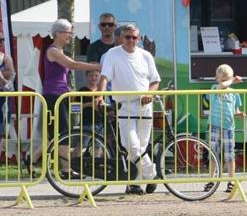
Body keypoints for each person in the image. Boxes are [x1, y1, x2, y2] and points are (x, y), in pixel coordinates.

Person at [28, 19, 101, 171]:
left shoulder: (59, 51)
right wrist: (98, 66)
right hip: (54, 97)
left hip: (60, 95)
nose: (71, 36)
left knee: (55, 135)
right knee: (63, 134)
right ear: (59, 34)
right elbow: (73, 65)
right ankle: (66, 169)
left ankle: (31, 158)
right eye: (68, 33)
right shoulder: (53, 51)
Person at [98, 22, 160, 195]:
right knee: (131, 145)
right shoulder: (113, 54)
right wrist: (99, 95)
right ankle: (153, 174)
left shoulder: (146, 55)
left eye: (135, 37)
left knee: (140, 146)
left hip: (144, 106)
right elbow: (104, 77)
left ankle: (134, 183)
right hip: (124, 106)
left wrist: (150, 93)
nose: (132, 40)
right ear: (121, 38)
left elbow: (155, 80)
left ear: (139, 38)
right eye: (128, 37)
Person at [205, 64, 244, 195]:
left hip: (228, 127)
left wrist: (239, 113)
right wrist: (232, 80)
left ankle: (231, 180)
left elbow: (235, 109)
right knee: (213, 154)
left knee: (229, 155)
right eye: (221, 80)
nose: (224, 83)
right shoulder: (214, 88)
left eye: (226, 80)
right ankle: (211, 179)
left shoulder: (234, 93)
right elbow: (220, 87)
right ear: (216, 79)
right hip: (215, 125)